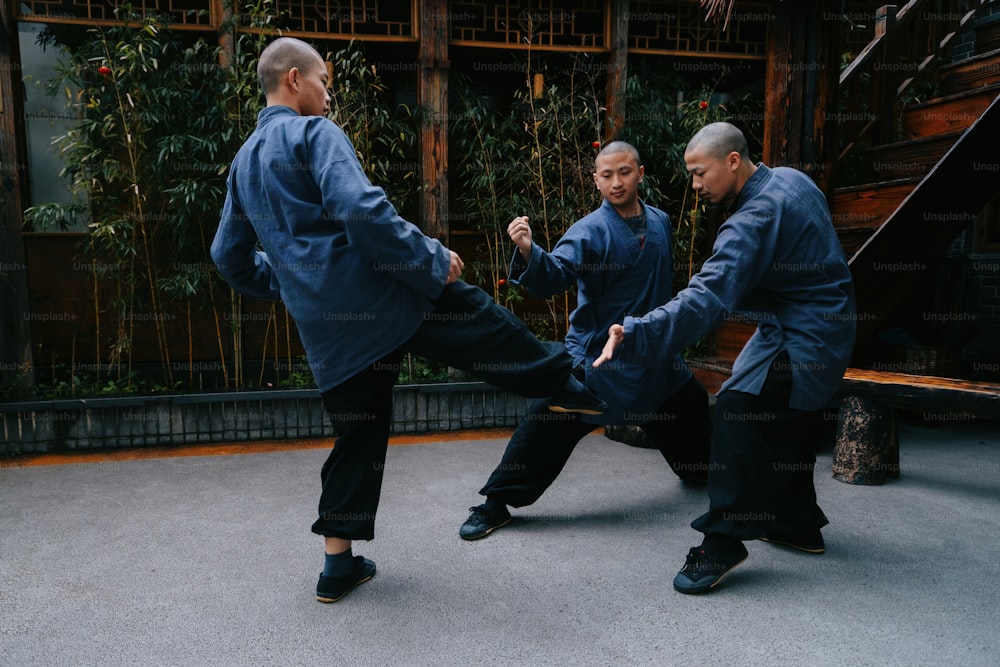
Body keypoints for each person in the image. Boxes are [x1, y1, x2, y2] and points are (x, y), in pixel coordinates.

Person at [210, 37, 605, 604]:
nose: (329, 95)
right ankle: (572, 388)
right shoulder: (313, 134)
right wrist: (430, 258)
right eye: (324, 82)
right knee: (475, 319)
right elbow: (361, 210)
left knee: (358, 437)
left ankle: (338, 568)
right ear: (293, 79)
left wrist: (297, 283)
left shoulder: (243, 162)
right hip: (384, 297)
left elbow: (228, 258)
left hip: (329, 332)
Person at [594, 122, 856, 594]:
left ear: (732, 161)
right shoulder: (792, 179)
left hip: (805, 336)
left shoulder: (752, 219)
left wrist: (634, 331)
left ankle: (722, 541)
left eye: (699, 173)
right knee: (787, 416)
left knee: (738, 412)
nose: (695, 185)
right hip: (820, 322)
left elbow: (706, 299)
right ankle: (796, 524)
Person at [459, 141, 712, 541]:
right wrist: (527, 249)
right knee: (546, 421)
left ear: (641, 174)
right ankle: (496, 502)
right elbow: (556, 274)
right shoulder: (590, 230)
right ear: (595, 181)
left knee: (692, 404)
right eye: (607, 175)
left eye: (625, 172)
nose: (616, 182)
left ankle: (702, 470)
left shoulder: (662, 221)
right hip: (599, 361)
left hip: (651, 354)